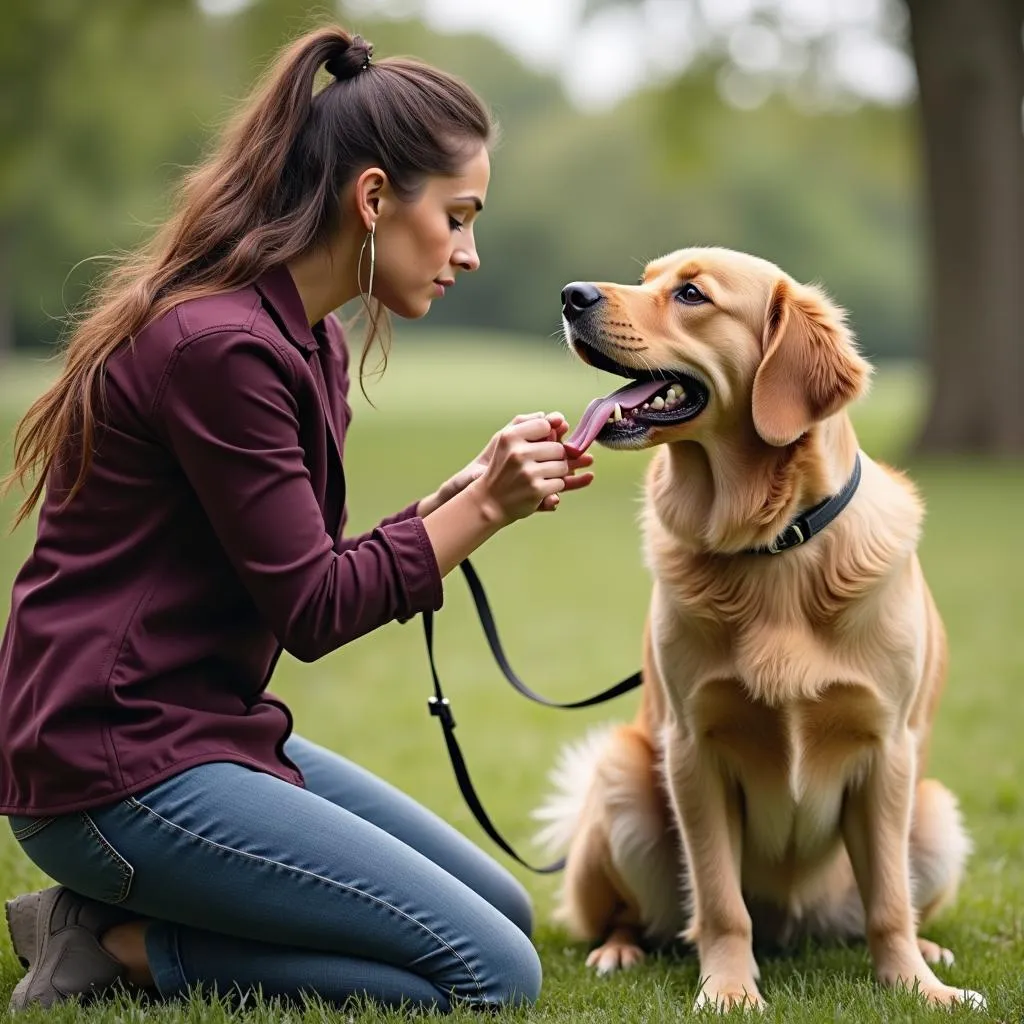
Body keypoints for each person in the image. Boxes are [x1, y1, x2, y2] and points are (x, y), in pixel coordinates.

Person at [0, 25, 594, 1015]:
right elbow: (314, 609)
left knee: (501, 910)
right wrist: (484, 510)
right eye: (456, 218)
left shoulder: (299, 340)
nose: (470, 253)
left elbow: (295, 566)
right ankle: (117, 944)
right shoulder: (220, 350)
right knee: (493, 972)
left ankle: (102, 923)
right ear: (371, 200)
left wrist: (458, 496)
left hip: (201, 731)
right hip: (110, 766)